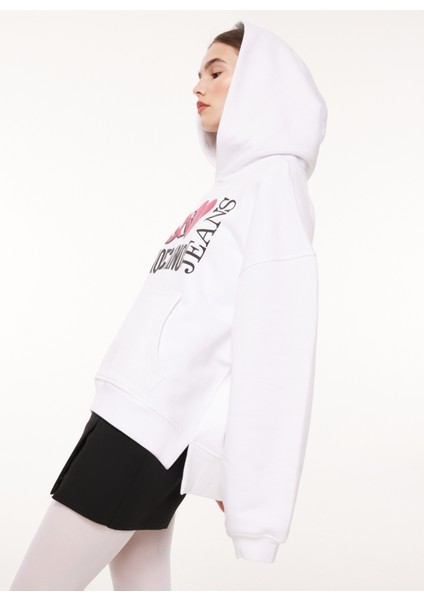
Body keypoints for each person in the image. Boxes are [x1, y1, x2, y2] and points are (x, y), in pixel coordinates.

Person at [9, 19, 327, 591]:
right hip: (131, 412)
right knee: (142, 586)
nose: (198, 86)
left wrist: (248, 480)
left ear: (259, 84)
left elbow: (275, 339)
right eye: (199, 73)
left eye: (216, 72)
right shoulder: (226, 190)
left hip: (150, 430)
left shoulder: (275, 184)